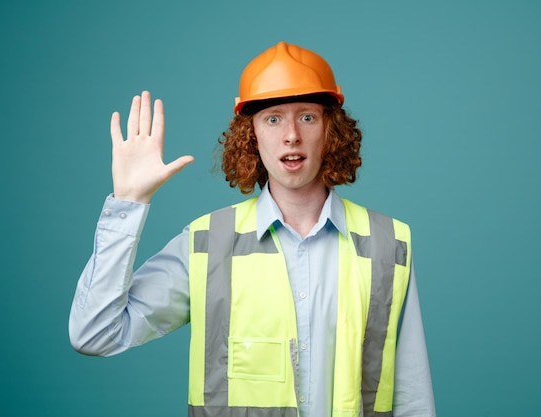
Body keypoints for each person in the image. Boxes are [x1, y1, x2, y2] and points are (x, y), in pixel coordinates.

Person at [69, 41, 436, 417]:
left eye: (307, 116)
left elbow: (411, 396)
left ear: (331, 131)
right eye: (273, 118)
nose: (291, 134)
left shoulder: (386, 243)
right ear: (252, 135)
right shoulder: (206, 244)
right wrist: (128, 204)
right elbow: (96, 333)